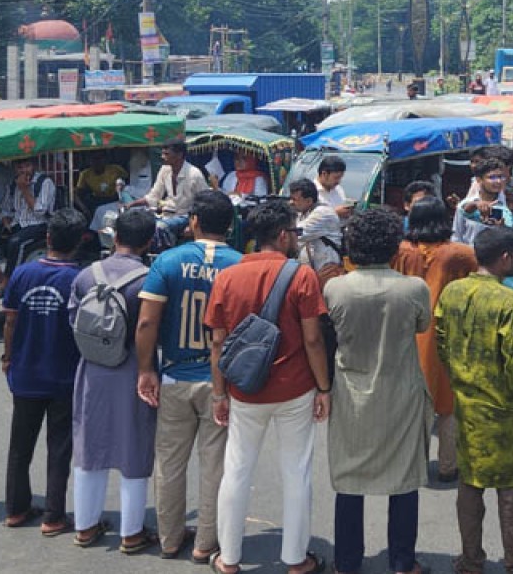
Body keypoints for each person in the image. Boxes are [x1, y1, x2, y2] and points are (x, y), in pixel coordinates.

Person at [204, 200, 332, 574]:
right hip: (295, 388)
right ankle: (296, 559)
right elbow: (313, 339)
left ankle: (229, 558)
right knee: (297, 472)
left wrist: (219, 392)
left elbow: (217, 342)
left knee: (237, 469)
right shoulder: (302, 276)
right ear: (281, 235)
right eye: (294, 231)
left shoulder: (227, 277)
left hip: (245, 388)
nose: (296, 238)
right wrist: (324, 388)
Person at [135, 191, 241, 561]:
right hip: (219, 381)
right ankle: (205, 543)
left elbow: (147, 322)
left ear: (193, 220)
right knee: (215, 465)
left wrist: (146, 369)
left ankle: (169, 538)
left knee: (169, 462)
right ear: (230, 225)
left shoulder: (168, 261)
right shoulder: (238, 265)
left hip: (174, 374)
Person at [325, 208, 433, 574]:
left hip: (351, 393)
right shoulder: (414, 288)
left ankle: (346, 562)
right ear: (393, 246)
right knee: (404, 478)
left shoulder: (335, 287)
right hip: (401, 391)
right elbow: (422, 326)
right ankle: (402, 561)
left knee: (349, 479)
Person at [436, 227, 513, 574]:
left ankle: (471, 560)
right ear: (506, 257)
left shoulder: (452, 292)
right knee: (510, 491)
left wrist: (459, 378)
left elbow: (441, 341)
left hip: (466, 404)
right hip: (503, 409)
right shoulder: (508, 300)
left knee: (469, 484)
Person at [66, 209, 158, 552]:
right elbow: (152, 328)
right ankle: (131, 532)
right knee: (134, 447)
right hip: (135, 368)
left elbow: (74, 322)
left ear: (114, 236)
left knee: (89, 447)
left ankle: (85, 526)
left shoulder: (86, 276)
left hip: (92, 369)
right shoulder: (149, 279)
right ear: (148, 242)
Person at [0, 208, 86, 535]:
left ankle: (16, 508)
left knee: (20, 446)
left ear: (47, 238)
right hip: (64, 373)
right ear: (79, 242)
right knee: (59, 448)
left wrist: (8, 356)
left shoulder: (22, 273)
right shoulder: (79, 279)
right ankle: (53, 515)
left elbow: (10, 320)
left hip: (25, 371)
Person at [393, 198, 478, 483]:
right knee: (448, 403)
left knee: (414, 405)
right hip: (448, 334)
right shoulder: (460, 254)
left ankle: (414, 463)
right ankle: (447, 465)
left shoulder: (401, 252)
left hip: (408, 336)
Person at [0, 157, 57, 292]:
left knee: (15, 242)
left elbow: (40, 211)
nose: (23, 171)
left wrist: (24, 189)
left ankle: (8, 280)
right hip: (17, 223)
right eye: (20, 167)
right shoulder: (12, 184)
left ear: (33, 166)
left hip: (39, 224)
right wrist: (5, 220)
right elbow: (6, 208)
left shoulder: (44, 182)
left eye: (27, 166)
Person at [127, 139, 209, 238]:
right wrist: (131, 205)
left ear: (179, 155)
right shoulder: (165, 170)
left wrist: (193, 226)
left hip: (185, 216)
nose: (162, 157)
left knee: (159, 227)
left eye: (166, 154)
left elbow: (205, 203)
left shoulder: (194, 174)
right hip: (166, 214)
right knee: (139, 223)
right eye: (162, 153)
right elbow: (154, 196)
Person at [288, 179, 344, 283]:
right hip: (314, 272)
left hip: (327, 271)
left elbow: (297, 233)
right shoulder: (302, 213)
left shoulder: (323, 213)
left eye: (295, 199)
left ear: (309, 201)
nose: (291, 202)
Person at [453, 158, 508, 246]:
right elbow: (456, 237)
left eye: (501, 177)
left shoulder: (509, 204)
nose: (498, 181)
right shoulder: (464, 205)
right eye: (492, 177)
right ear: (479, 180)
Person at [74, 151, 128, 222]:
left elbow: (128, 184)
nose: (97, 161)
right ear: (89, 161)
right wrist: (84, 209)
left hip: (115, 199)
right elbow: (77, 194)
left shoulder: (116, 170)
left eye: (100, 158)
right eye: (94, 159)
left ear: (105, 159)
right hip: (97, 202)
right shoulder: (85, 174)